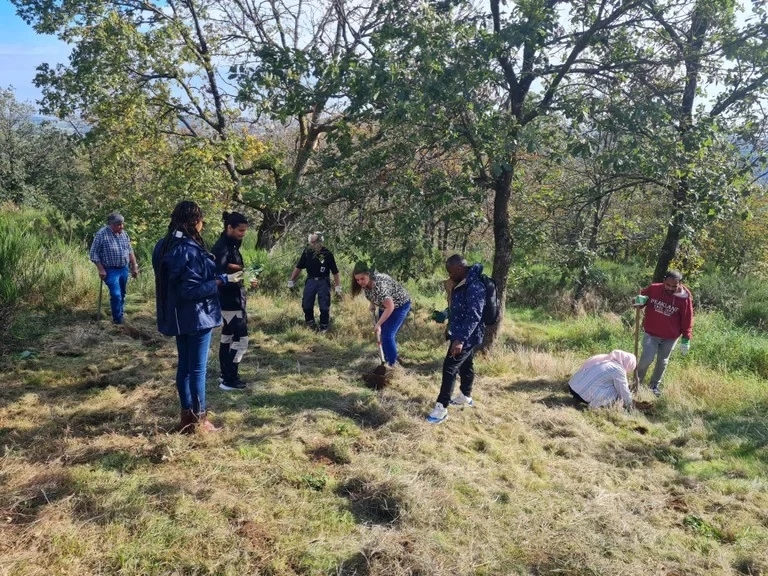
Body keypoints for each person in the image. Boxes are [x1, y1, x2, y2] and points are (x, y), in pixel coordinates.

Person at [153, 201, 235, 433]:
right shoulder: (188, 249)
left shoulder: (163, 246)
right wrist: (222, 281)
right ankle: (200, 420)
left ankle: (186, 417)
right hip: (197, 317)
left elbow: (178, 283)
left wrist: (212, 275)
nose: (202, 224)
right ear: (194, 222)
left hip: (177, 317)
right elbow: (191, 290)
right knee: (197, 370)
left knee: (185, 368)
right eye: (201, 220)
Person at [426, 255, 486, 424]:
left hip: (467, 335)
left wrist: (460, 340)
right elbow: (458, 307)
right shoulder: (462, 282)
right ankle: (466, 396)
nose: (449, 276)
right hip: (461, 332)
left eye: (451, 272)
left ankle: (441, 408)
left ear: (460, 269)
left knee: (449, 368)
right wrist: (445, 314)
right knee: (466, 364)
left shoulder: (475, 286)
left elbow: (474, 316)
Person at [211, 211, 257, 391]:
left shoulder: (232, 246)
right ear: (229, 227)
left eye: (245, 231)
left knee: (228, 337)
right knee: (242, 341)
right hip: (229, 301)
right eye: (240, 230)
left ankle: (225, 375)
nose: (243, 234)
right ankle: (230, 379)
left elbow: (233, 269)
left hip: (236, 298)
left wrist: (247, 273)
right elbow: (219, 273)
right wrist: (240, 273)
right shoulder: (221, 247)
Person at [633, 270, 694, 397]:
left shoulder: (684, 297)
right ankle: (636, 383)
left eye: (674, 286)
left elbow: (687, 319)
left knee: (662, 361)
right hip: (651, 333)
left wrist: (686, 338)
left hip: (670, 337)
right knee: (646, 359)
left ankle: (654, 386)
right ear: (664, 281)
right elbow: (638, 303)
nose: (671, 288)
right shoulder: (654, 289)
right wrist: (639, 301)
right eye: (668, 285)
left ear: (679, 284)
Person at [351, 262, 411, 366]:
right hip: (385, 305)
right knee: (383, 334)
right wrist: (372, 303)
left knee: (387, 335)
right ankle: (387, 358)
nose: (360, 282)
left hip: (399, 305)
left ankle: (393, 366)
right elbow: (372, 294)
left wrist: (378, 324)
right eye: (357, 280)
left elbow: (390, 306)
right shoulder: (366, 283)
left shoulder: (380, 286)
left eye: (362, 279)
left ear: (368, 274)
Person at [89, 212, 139, 324]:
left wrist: (134, 266)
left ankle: (119, 314)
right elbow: (93, 254)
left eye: (122, 224)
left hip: (123, 268)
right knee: (116, 294)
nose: (121, 226)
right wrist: (100, 269)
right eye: (118, 224)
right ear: (111, 224)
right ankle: (118, 320)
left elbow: (130, 251)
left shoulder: (124, 234)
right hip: (110, 270)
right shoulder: (102, 234)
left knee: (122, 293)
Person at [288, 232, 342, 333]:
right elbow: (299, 267)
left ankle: (324, 326)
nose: (313, 244)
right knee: (306, 304)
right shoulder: (307, 252)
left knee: (324, 306)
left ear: (321, 242)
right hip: (311, 280)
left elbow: (335, 272)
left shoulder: (327, 254)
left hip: (323, 281)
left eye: (315, 242)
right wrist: (291, 280)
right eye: (311, 242)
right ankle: (310, 323)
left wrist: (338, 287)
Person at [568, 350, 635, 410]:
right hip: (583, 394)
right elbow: (623, 390)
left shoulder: (605, 359)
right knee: (615, 391)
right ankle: (595, 406)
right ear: (629, 364)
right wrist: (629, 404)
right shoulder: (618, 370)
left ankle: (578, 398)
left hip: (573, 388)